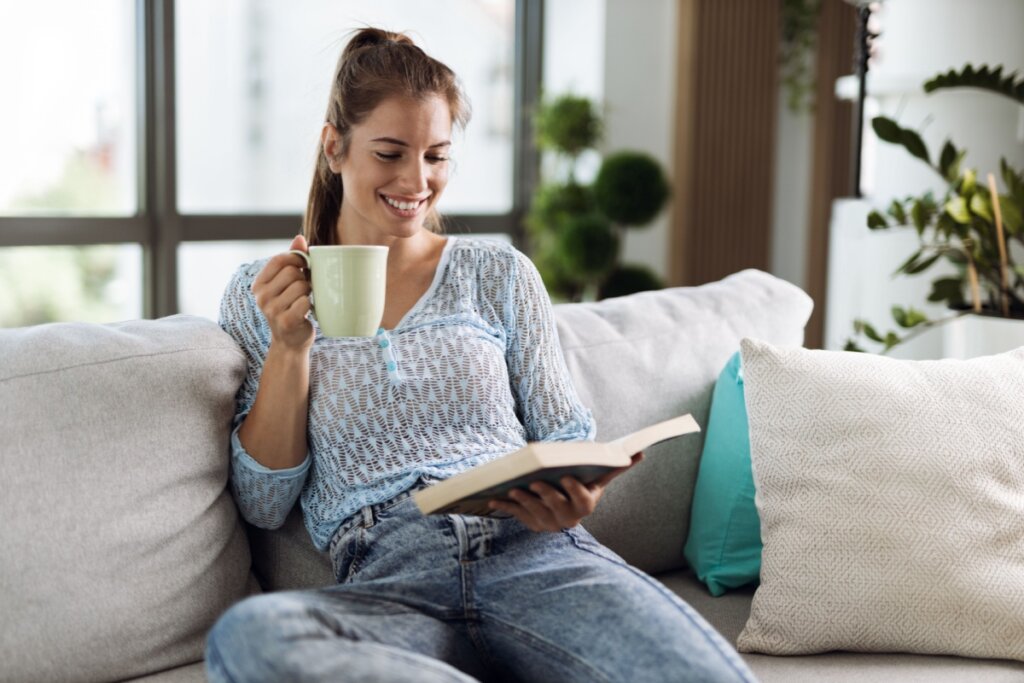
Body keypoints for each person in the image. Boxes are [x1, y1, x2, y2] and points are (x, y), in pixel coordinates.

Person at [205, 27, 757, 683]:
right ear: (335, 147)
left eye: (437, 156)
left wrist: (572, 497)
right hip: (389, 576)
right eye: (391, 152)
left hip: (536, 556)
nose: (418, 180)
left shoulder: (498, 273)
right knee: (248, 636)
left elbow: (566, 435)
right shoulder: (261, 293)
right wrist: (292, 347)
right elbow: (265, 503)